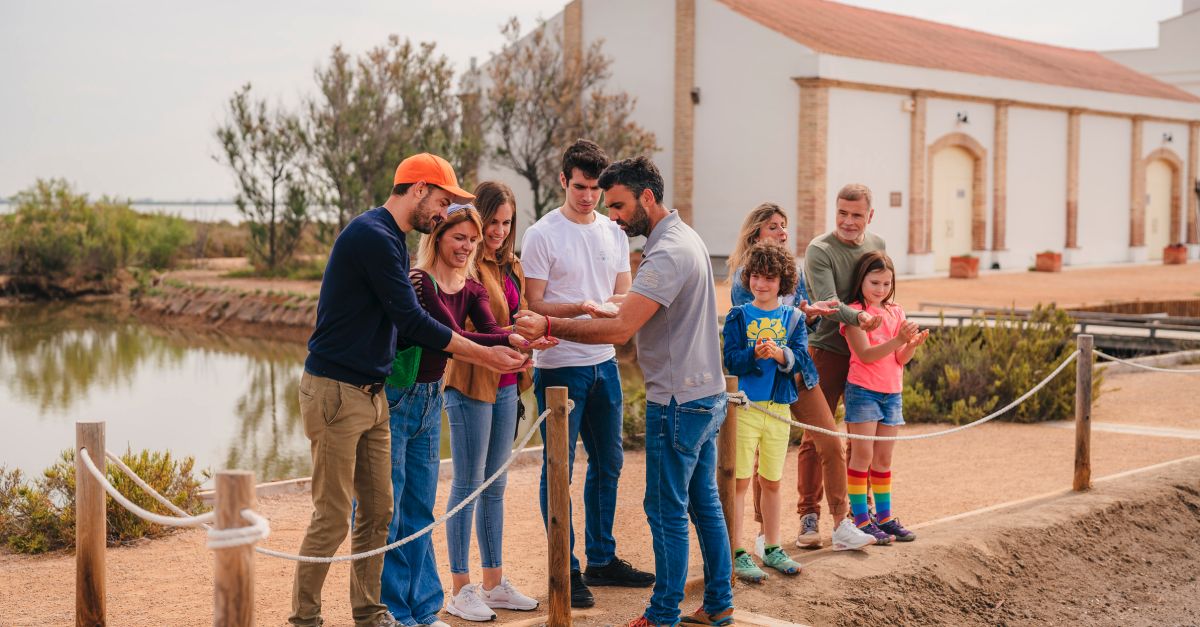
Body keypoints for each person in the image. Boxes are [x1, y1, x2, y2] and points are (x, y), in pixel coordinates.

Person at [291, 153, 528, 627]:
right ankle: (305, 619)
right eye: (441, 202)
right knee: (334, 515)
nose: (443, 213)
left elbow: (414, 323)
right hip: (336, 390)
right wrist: (485, 353)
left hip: (373, 392)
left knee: (380, 513)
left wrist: (505, 337)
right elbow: (413, 321)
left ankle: (373, 614)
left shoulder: (390, 239)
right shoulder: (372, 236)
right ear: (418, 190)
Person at [516, 156, 732, 627]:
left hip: (676, 401)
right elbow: (635, 304)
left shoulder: (666, 251)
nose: (612, 216)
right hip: (706, 395)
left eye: (618, 204)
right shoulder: (685, 237)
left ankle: (661, 614)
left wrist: (551, 322)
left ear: (647, 198)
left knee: (665, 510)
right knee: (704, 504)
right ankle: (718, 602)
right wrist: (606, 305)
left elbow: (621, 329)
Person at [379, 204, 552, 626]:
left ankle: (423, 609)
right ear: (437, 237)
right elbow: (451, 335)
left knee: (420, 506)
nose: (468, 246)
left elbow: (489, 327)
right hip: (399, 395)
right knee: (393, 507)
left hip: (430, 396)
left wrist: (518, 339)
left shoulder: (472, 285)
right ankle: (397, 610)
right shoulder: (420, 282)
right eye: (460, 238)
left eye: (472, 241)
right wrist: (502, 344)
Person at [520, 139, 653, 608]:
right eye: (579, 186)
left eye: (595, 189)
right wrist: (581, 307)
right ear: (563, 181)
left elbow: (622, 292)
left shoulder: (613, 232)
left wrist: (609, 310)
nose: (588, 197)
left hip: (604, 364)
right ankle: (566, 567)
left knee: (610, 464)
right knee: (560, 469)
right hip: (558, 368)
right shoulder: (541, 234)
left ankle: (602, 559)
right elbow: (533, 305)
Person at [440, 182, 542, 620]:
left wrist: (533, 341)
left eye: (506, 223)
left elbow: (518, 318)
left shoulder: (511, 266)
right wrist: (511, 336)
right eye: (492, 222)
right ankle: (459, 588)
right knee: (468, 485)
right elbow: (463, 326)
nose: (499, 231)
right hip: (469, 382)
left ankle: (494, 582)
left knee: (495, 486)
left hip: (506, 385)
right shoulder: (466, 266)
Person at [795, 183, 887, 550]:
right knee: (816, 435)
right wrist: (860, 319)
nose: (849, 222)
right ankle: (808, 515)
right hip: (830, 350)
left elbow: (883, 291)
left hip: (865, 354)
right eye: (842, 213)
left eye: (857, 215)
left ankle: (858, 516)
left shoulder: (876, 244)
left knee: (863, 437)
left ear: (870, 216)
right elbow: (827, 302)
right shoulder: (820, 249)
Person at [721, 242, 815, 582]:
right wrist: (755, 355)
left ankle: (773, 547)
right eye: (756, 277)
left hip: (779, 408)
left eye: (769, 278)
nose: (762, 284)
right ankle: (736, 550)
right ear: (748, 279)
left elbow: (802, 361)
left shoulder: (794, 318)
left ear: (783, 282)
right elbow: (730, 359)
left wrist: (779, 355)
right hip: (745, 408)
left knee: (772, 480)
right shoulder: (738, 315)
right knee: (740, 482)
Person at [840, 251, 925, 544]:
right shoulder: (853, 314)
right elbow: (865, 355)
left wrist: (911, 345)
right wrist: (899, 340)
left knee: (884, 459)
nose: (881, 289)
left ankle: (885, 518)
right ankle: (862, 519)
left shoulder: (895, 311)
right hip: (863, 391)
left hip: (892, 392)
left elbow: (900, 359)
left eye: (887, 283)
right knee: (862, 456)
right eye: (875, 282)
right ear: (861, 280)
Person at [727, 202, 809, 307]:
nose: (782, 231)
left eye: (783, 226)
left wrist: (811, 317)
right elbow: (748, 320)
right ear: (756, 236)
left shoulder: (797, 271)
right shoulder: (744, 274)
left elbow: (806, 318)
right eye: (773, 227)